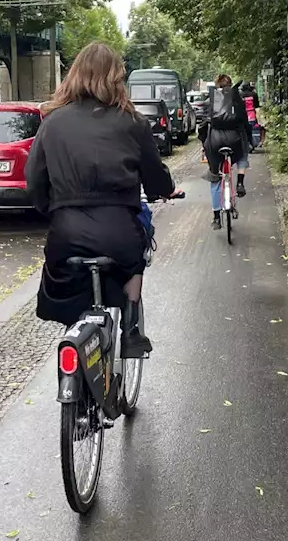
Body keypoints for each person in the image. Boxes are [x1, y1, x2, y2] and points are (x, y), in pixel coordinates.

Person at [26, 42, 178, 358]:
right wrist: (163, 189)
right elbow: (155, 176)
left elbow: (34, 181)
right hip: (118, 235)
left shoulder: (52, 121)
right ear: (116, 78)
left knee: (68, 292)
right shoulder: (132, 121)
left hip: (66, 236)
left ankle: (76, 349)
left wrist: (51, 211)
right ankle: (131, 330)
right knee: (139, 253)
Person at [198, 74, 250, 230]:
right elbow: (245, 121)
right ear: (230, 85)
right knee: (243, 154)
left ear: (217, 86)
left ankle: (216, 217)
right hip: (234, 141)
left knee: (215, 176)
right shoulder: (236, 99)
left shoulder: (210, 101)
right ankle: (240, 182)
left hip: (215, 142)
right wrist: (249, 140)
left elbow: (203, 125)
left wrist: (204, 144)